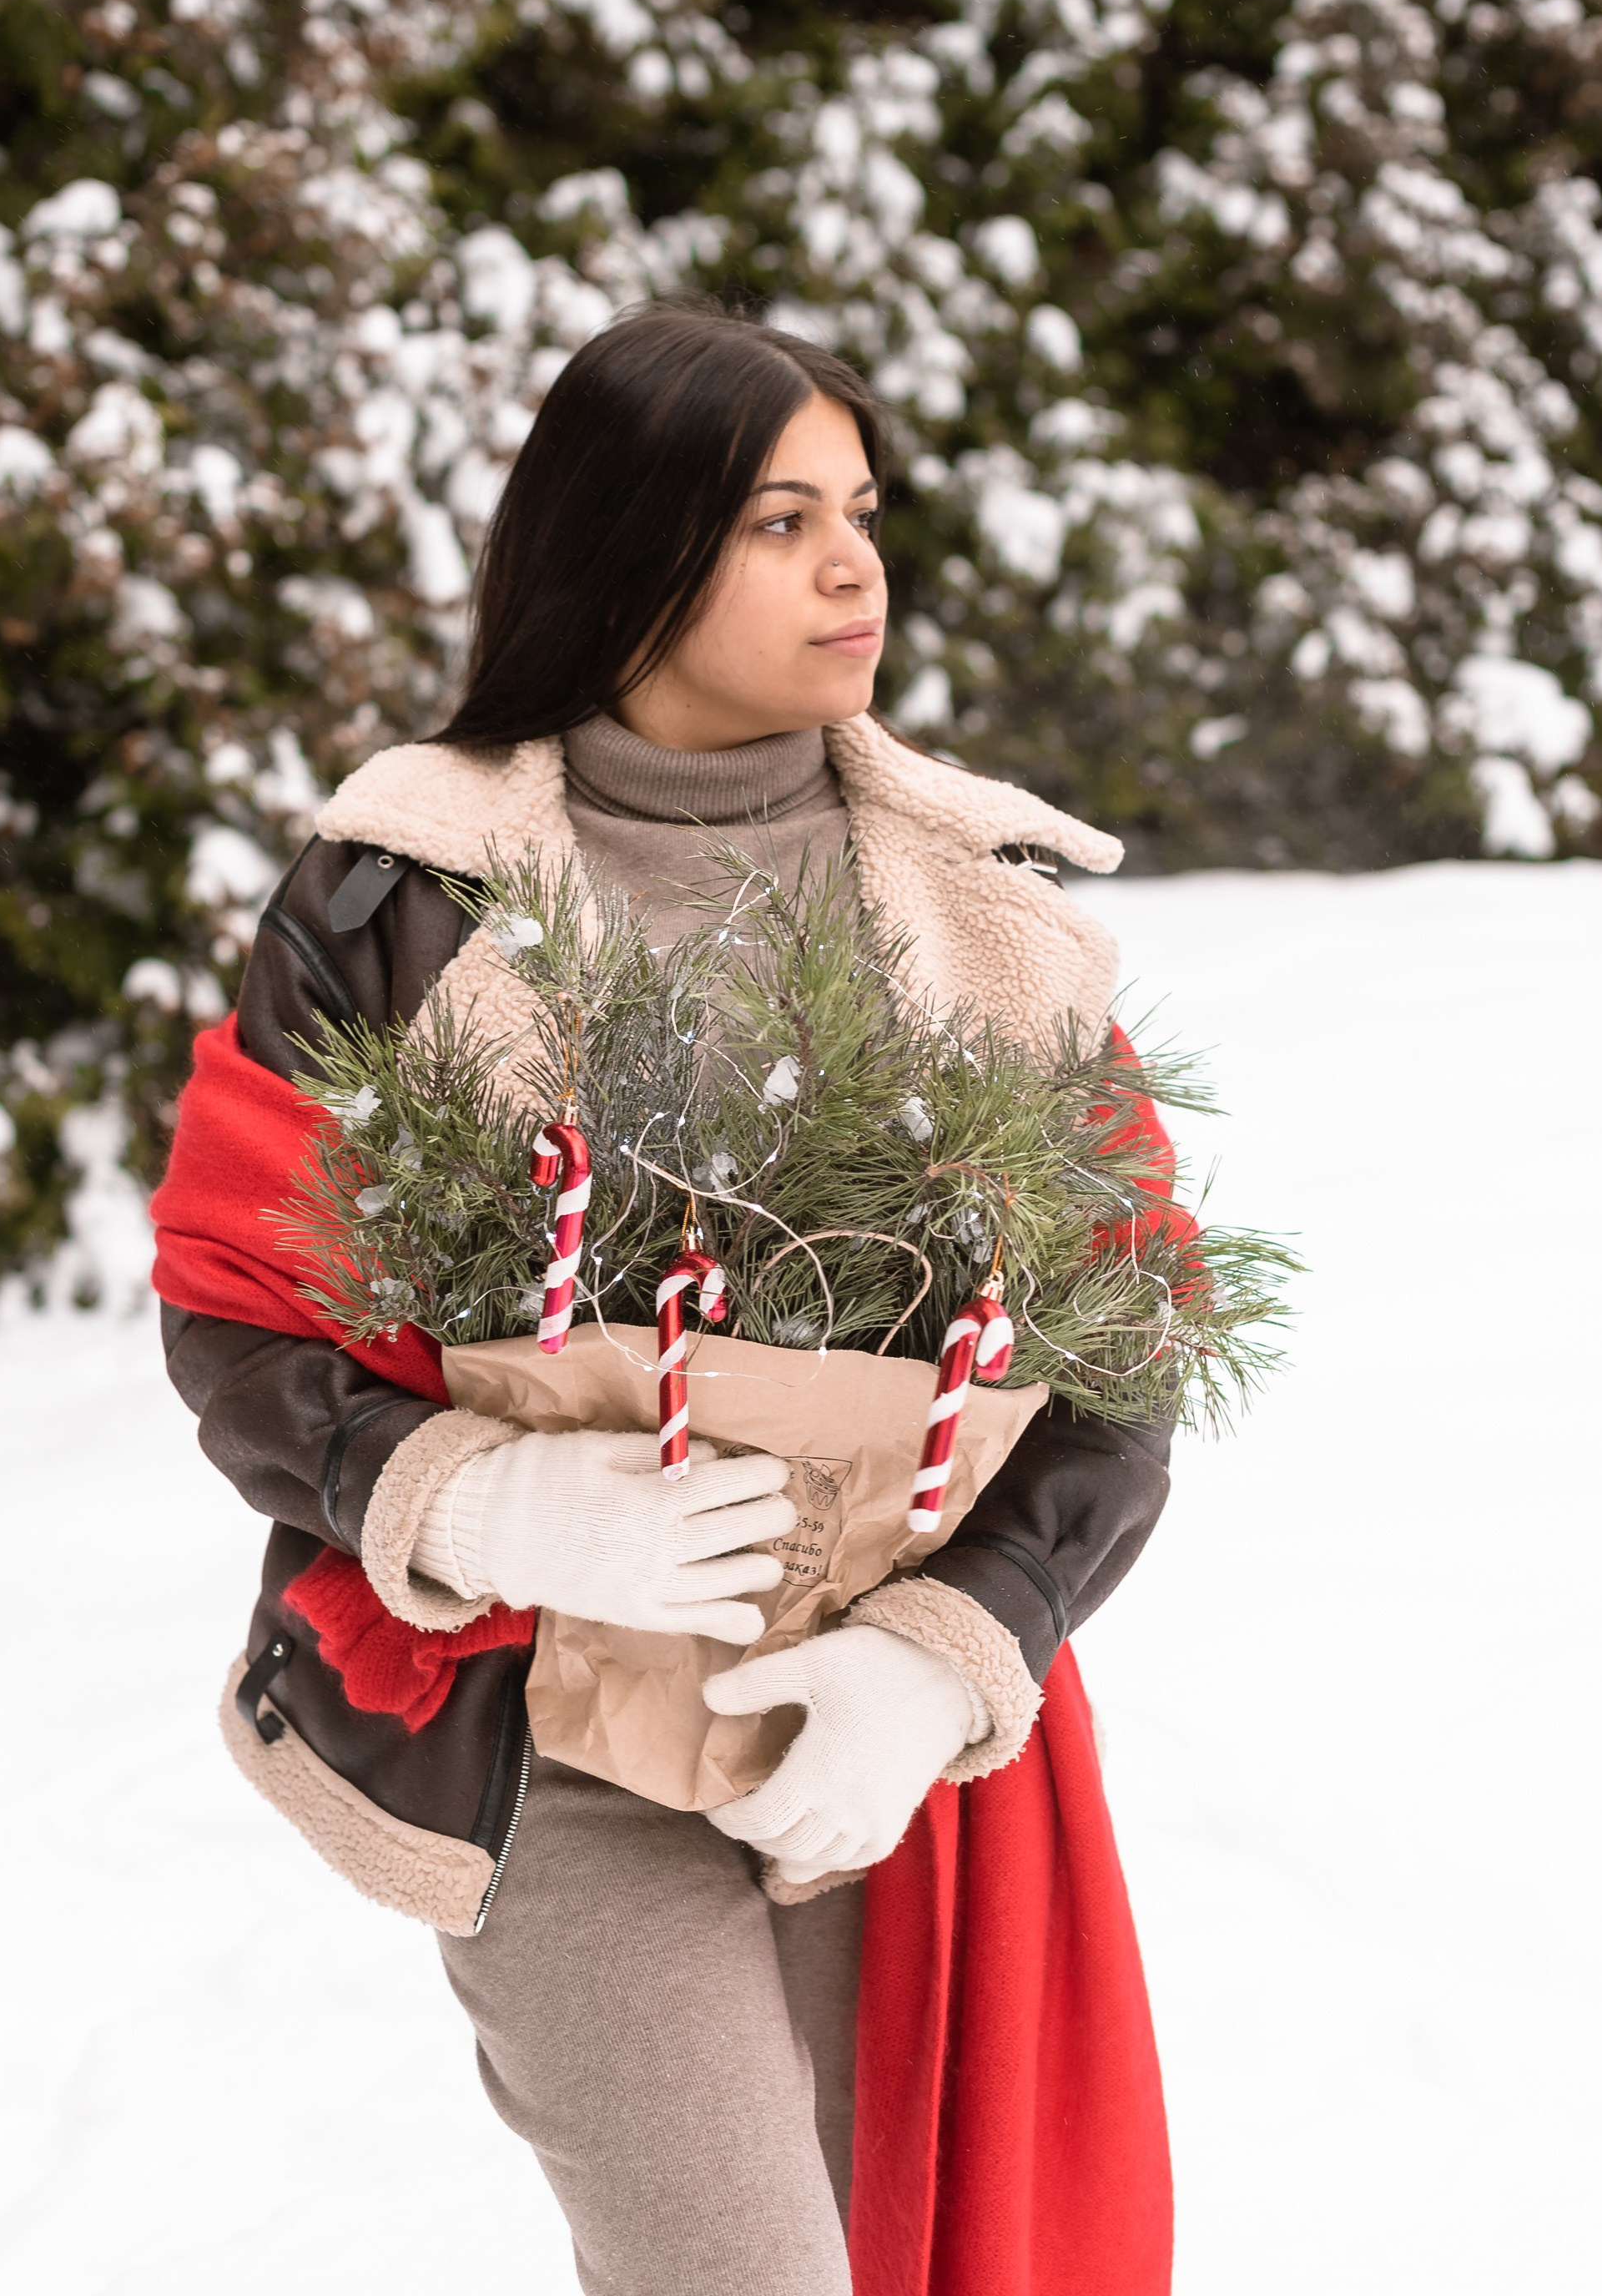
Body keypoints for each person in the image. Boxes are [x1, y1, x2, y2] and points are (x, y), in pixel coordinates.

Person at [154, 301, 1175, 2296]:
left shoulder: (990, 913)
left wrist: (949, 1653)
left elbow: (1129, 1344)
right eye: (779, 518)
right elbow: (238, 1301)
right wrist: (466, 1496)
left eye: (862, 510)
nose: (855, 564)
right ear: (629, 547)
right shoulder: (401, 894)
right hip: (554, 1749)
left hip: (872, 1746)